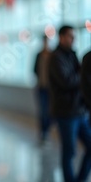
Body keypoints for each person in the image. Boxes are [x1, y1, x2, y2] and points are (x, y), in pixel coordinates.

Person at [48, 25, 91, 182]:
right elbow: (66, 81)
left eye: (74, 37)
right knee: (69, 152)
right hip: (65, 112)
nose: (73, 39)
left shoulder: (71, 55)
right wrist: (84, 75)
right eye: (70, 36)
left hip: (79, 110)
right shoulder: (56, 57)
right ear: (61, 37)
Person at [33, 35, 53, 144]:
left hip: (50, 89)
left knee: (49, 112)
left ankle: (46, 132)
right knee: (42, 111)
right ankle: (43, 132)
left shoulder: (52, 55)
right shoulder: (39, 55)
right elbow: (34, 69)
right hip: (41, 87)